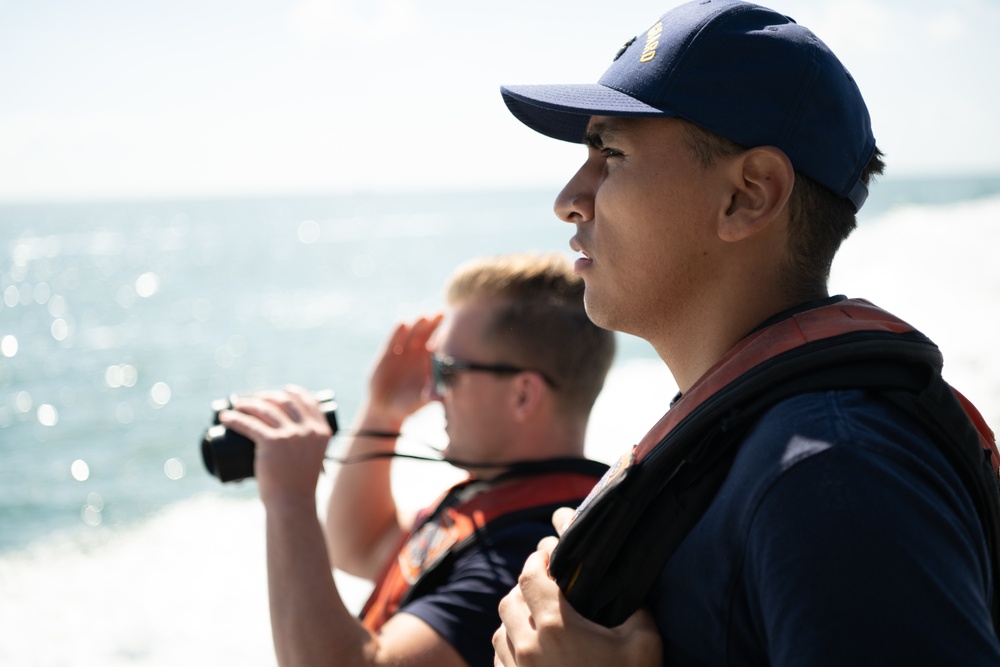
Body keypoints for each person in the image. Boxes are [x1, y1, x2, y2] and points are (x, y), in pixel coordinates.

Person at [492, 1, 1000, 665]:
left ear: (750, 193)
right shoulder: (764, 448)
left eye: (611, 153)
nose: (569, 197)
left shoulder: (832, 471)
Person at [218, 252, 615, 667]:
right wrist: (382, 410)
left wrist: (288, 499)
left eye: (448, 371)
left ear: (523, 396)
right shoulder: (500, 500)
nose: (431, 392)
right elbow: (358, 545)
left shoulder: (526, 562)